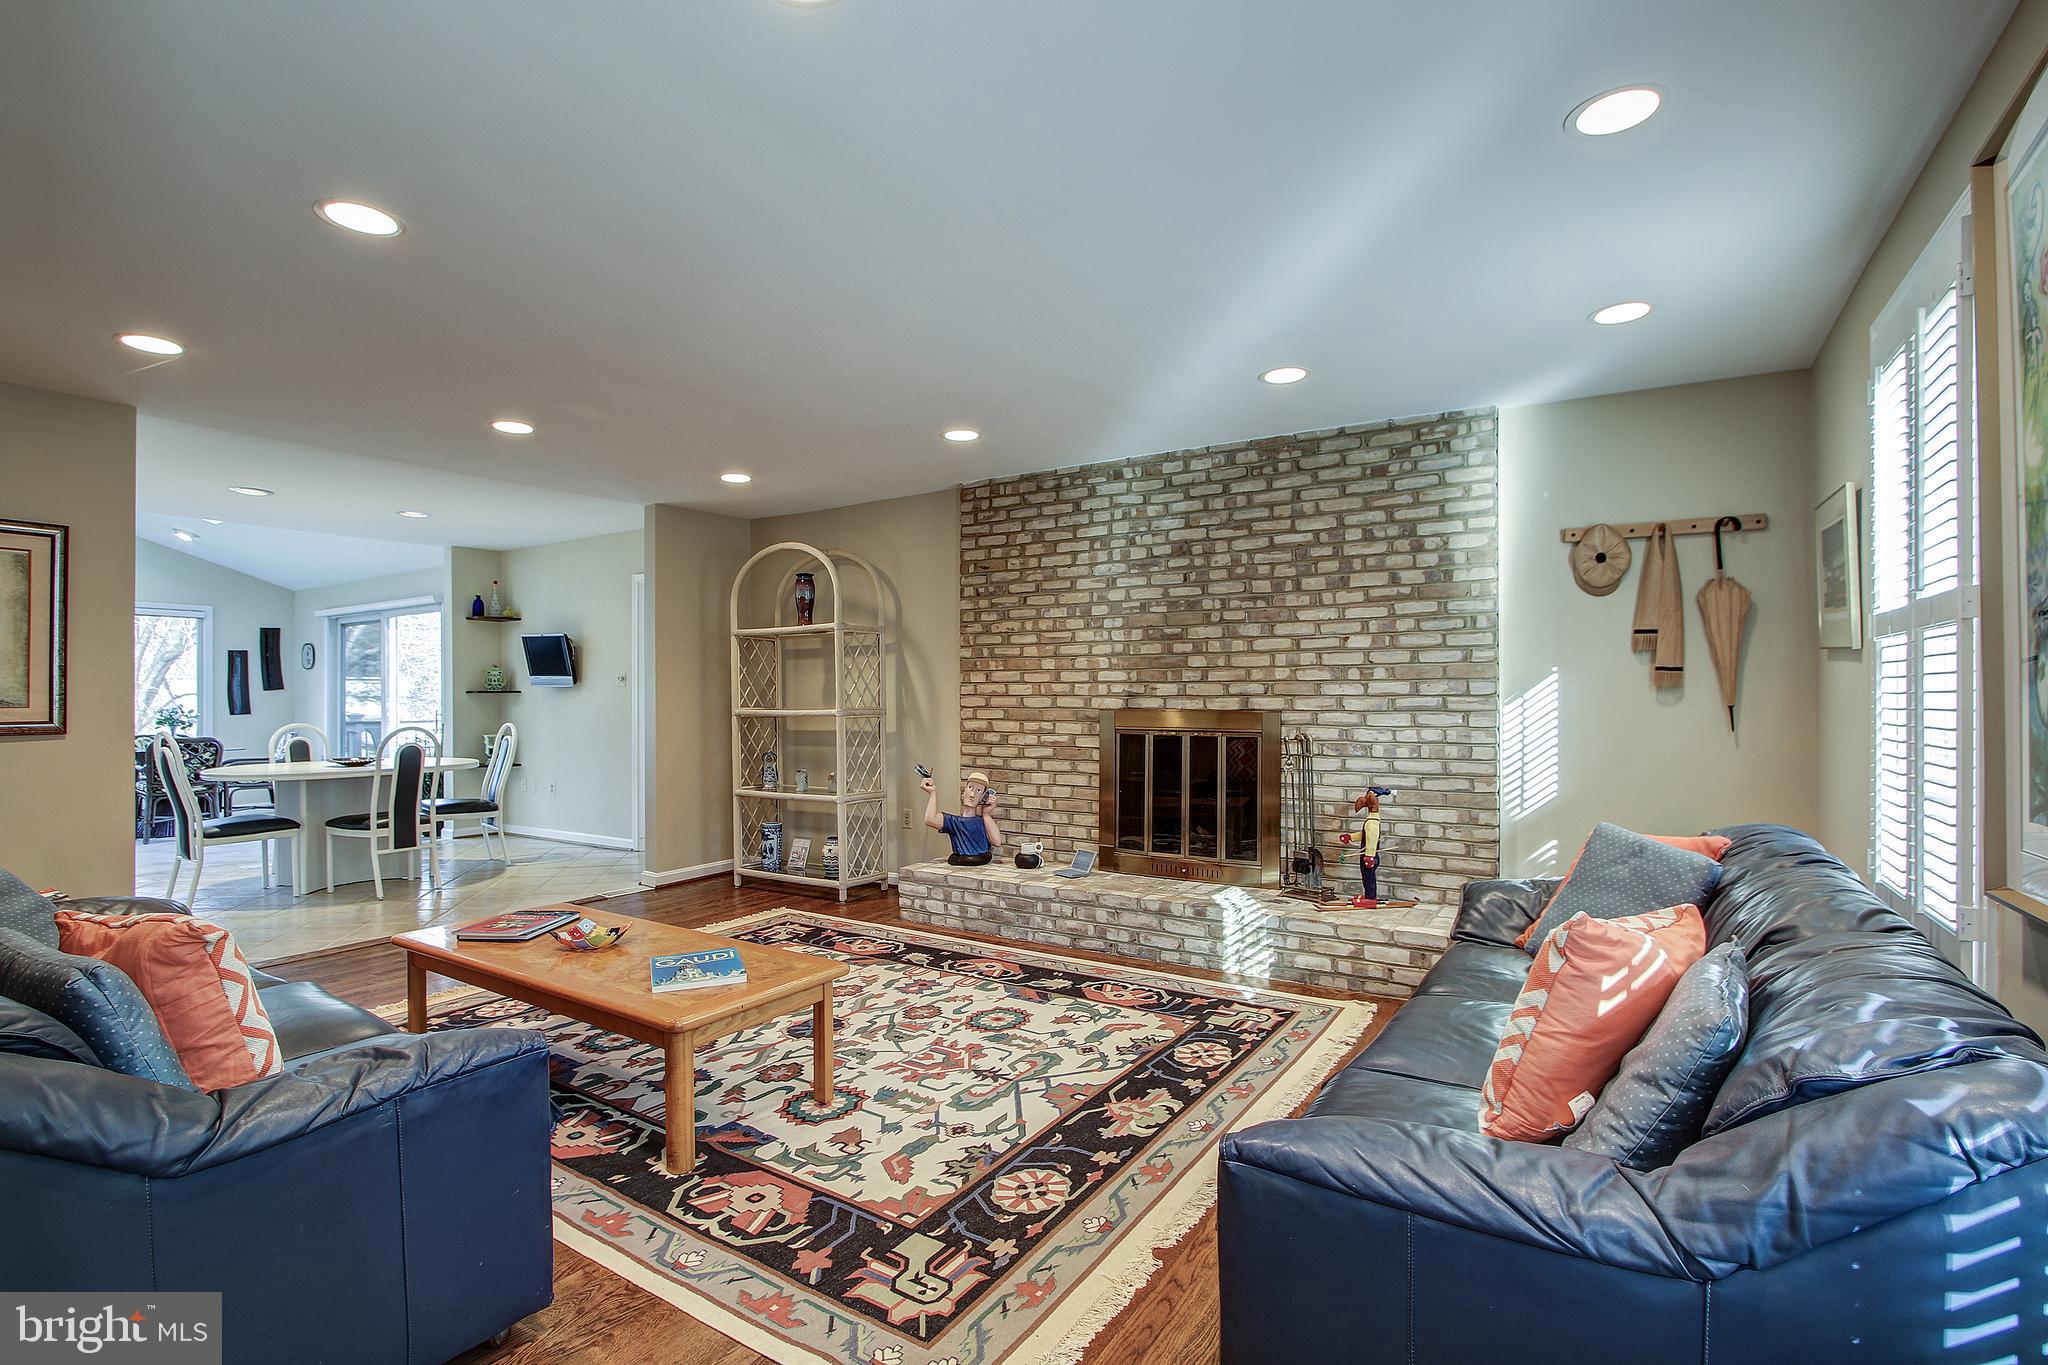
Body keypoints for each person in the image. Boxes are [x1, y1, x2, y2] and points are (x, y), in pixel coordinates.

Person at [923, 770, 1003, 866]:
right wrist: (932, 793)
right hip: (959, 863)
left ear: (983, 797)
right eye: (970, 788)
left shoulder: (983, 821)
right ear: (964, 791)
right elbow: (930, 819)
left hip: (981, 863)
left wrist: (986, 814)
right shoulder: (954, 822)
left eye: (978, 791)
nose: (972, 795)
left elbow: (997, 842)